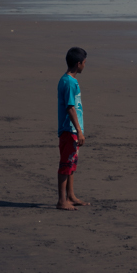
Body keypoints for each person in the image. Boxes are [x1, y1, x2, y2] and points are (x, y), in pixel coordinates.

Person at [57, 47, 90, 211]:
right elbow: (70, 107)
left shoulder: (68, 80)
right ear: (78, 64)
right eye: (84, 63)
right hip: (69, 129)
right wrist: (79, 130)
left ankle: (70, 196)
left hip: (72, 129)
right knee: (66, 164)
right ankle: (62, 200)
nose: (85, 65)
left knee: (71, 164)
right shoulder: (69, 82)